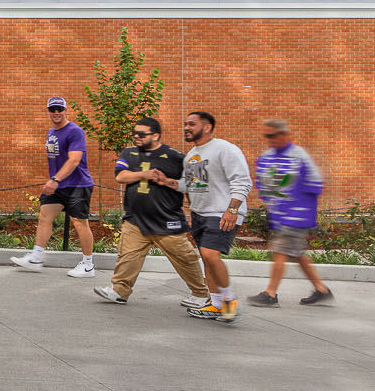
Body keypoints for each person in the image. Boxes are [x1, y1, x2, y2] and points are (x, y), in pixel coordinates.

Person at [93, 116, 211, 306]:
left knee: (185, 259)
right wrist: (144, 175)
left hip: (167, 220)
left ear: (155, 135)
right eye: (134, 133)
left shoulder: (177, 157)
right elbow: (120, 176)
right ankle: (119, 291)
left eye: (141, 134)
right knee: (127, 257)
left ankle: (201, 293)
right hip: (135, 220)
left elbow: (195, 184)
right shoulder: (128, 152)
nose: (136, 137)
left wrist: (197, 207)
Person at [11, 96, 97, 277]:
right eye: (53, 109)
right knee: (44, 216)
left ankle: (88, 265)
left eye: (60, 109)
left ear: (66, 110)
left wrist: (55, 179)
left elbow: (74, 160)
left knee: (80, 223)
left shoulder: (75, 131)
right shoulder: (52, 132)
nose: (56, 113)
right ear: (48, 111)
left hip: (77, 185)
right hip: (59, 185)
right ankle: (36, 258)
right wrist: (56, 181)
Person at [250, 118, 332, 307]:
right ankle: (321, 289)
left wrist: (298, 207)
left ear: (285, 135)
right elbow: (263, 184)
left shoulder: (299, 155)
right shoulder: (267, 156)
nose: (268, 139)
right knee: (296, 253)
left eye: (272, 135)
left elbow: (316, 183)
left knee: (280, 250)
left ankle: (270, 293)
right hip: (279, 216)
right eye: (266, 136)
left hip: (296, 215)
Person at [181, 110, 254, 321]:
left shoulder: (225, 149)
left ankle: (230, 304)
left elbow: (242, 181)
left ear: (207, 127)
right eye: (185, 124)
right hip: (200, 213)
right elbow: (191, 185)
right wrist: (165, 181)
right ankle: (216, 304)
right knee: (207, 258)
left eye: (191, 124)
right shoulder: (192, 155)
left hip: (222, 212)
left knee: (210, 254)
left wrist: (232, 210)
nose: (186, 128)